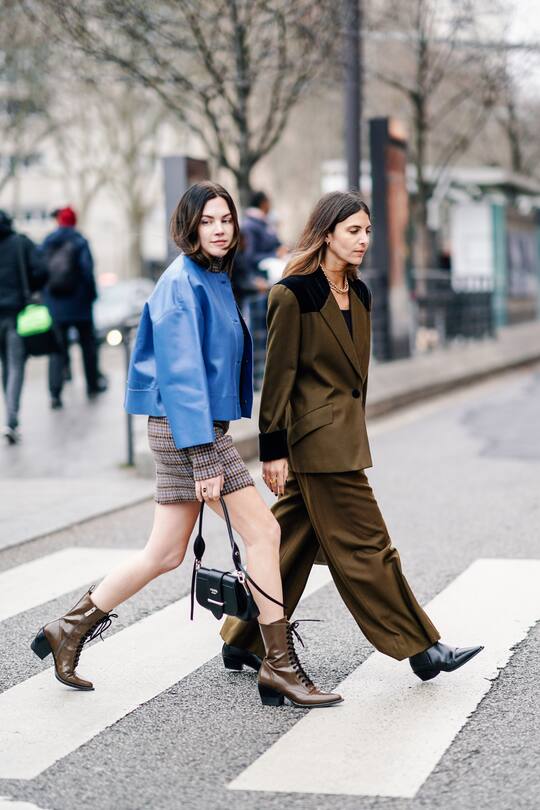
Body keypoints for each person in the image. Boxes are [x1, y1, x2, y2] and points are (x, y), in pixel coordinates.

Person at [30, 182, 341, 709]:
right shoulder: (182, 283)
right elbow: (181, 376)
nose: (220, 229)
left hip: (193, 429)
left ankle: (69, 627)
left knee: (166, 551)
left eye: (226, 219)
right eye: (208, 222)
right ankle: (279, 666)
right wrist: (202, 457)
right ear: (189, 228)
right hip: (186, 431)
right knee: (264, 531)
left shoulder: (212, 276)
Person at [221, 191, 483, 683]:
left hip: (342, 436)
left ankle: (244, 639)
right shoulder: (293, 294)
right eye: (353, 231)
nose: (364, 240)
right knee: (369, 545)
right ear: (326, 234)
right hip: (316, 444)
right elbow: (278, 376)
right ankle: (422, 648)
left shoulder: (359, 293)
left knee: (291, 542)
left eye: (367, 231)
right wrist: (273, 450)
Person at [42, 206, 106, 409]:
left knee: (56, 350)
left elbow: (40, 271)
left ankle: (55, 393)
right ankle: (92, 385)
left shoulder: (47, 242)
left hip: (56, 306)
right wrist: (92, 295)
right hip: (80, 305)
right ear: (74, 221)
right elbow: (87, 271)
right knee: (88, 346)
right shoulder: (80, 241)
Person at [0, 210, 48, 444]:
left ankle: (10, 417)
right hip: (17, 313)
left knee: (5, 365)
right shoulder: (21, 243)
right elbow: (42, 270)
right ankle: (11, 420)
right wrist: (29, 286)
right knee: (15, 365)